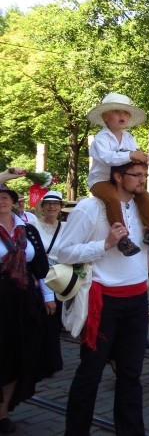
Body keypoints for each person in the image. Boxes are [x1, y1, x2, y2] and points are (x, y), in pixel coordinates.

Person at [56, 161, 149, 435]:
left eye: (144, 175)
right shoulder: (90, 208)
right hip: (103, 302)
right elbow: (63, 252)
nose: (142, 180)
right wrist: (106, 244)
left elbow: (142, 249)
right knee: (90, 374)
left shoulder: (142, 205)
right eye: (137, 175)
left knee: (131, 375)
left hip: (137, 301)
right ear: (117, 175)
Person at [86, 92, 149, 256]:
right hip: (101, 181)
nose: (122, 115)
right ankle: (122, 237)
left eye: (125, 112)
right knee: (112, 198)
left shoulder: (129, 137)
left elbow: (136, 156)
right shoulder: (100, 139)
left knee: (146, 197)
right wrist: (131, 155)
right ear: (105, 117)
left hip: (124, 181)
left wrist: (144, 157)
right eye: (117, 112)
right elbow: (107, 158)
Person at [0, 184, 50, 434]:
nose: (2, 201)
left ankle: (3, 413)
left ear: (13, 200)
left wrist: (47, 296)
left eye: (6, 197)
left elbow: (41, 266)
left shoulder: (27, 229)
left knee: (19, 353)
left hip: (24, 299)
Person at [35, 190, 67, 378]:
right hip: (38, 280)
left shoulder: (65, 227)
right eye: (48, 204)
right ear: (43, 206)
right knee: (38, 320)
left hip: (58, 278)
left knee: (54, 321)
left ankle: (53, 360)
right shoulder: (32, 225)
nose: (52, 207)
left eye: (56, 204)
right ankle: (37, 359)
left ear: (60, 207)